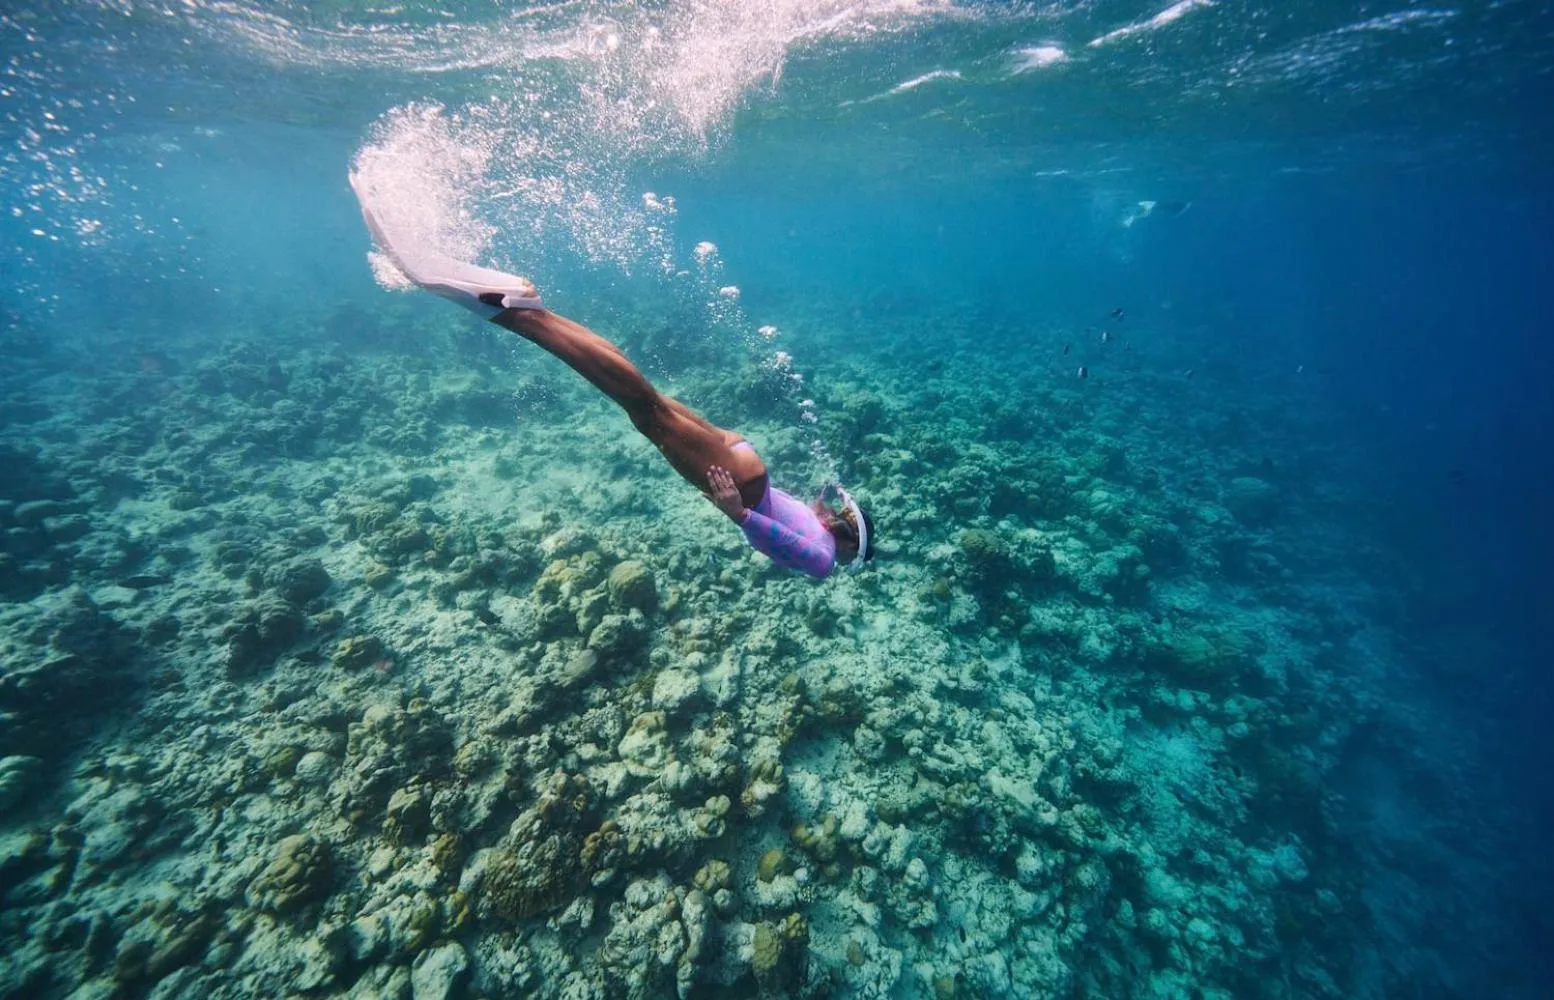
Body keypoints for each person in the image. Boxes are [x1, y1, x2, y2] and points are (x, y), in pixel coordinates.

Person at [349, 171, 874, 579]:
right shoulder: (826, 561)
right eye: (852, 551)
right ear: (851, 546)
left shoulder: (824, 528)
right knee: (642, 408)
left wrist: (763, 508)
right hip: (739, 485)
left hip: (744, 461)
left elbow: (798, 524)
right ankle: (515, 316)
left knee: (645, 396)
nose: (844, 555)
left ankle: (534, 311)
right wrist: (738, 515)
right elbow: (783, 544)